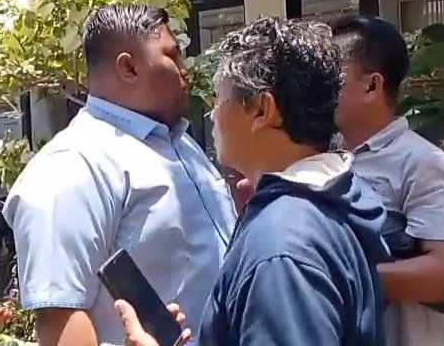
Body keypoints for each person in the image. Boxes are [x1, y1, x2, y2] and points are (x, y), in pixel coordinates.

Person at [119, 17, 389, 346]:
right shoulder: (329, 200)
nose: (213, 114)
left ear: (263, 110)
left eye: (220, 99)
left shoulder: (282, 247)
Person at [2, 4, 237, 346]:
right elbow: (62, 321)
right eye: (173, 56)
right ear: (129, 67)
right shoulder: (72, 166)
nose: (185, 70)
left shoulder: (180, 144)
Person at [331, 15, 444, 346]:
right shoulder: (325, 159)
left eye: (332, 76)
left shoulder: (425, 165)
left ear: (372, 86)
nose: (319, 89)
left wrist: (333, 275)